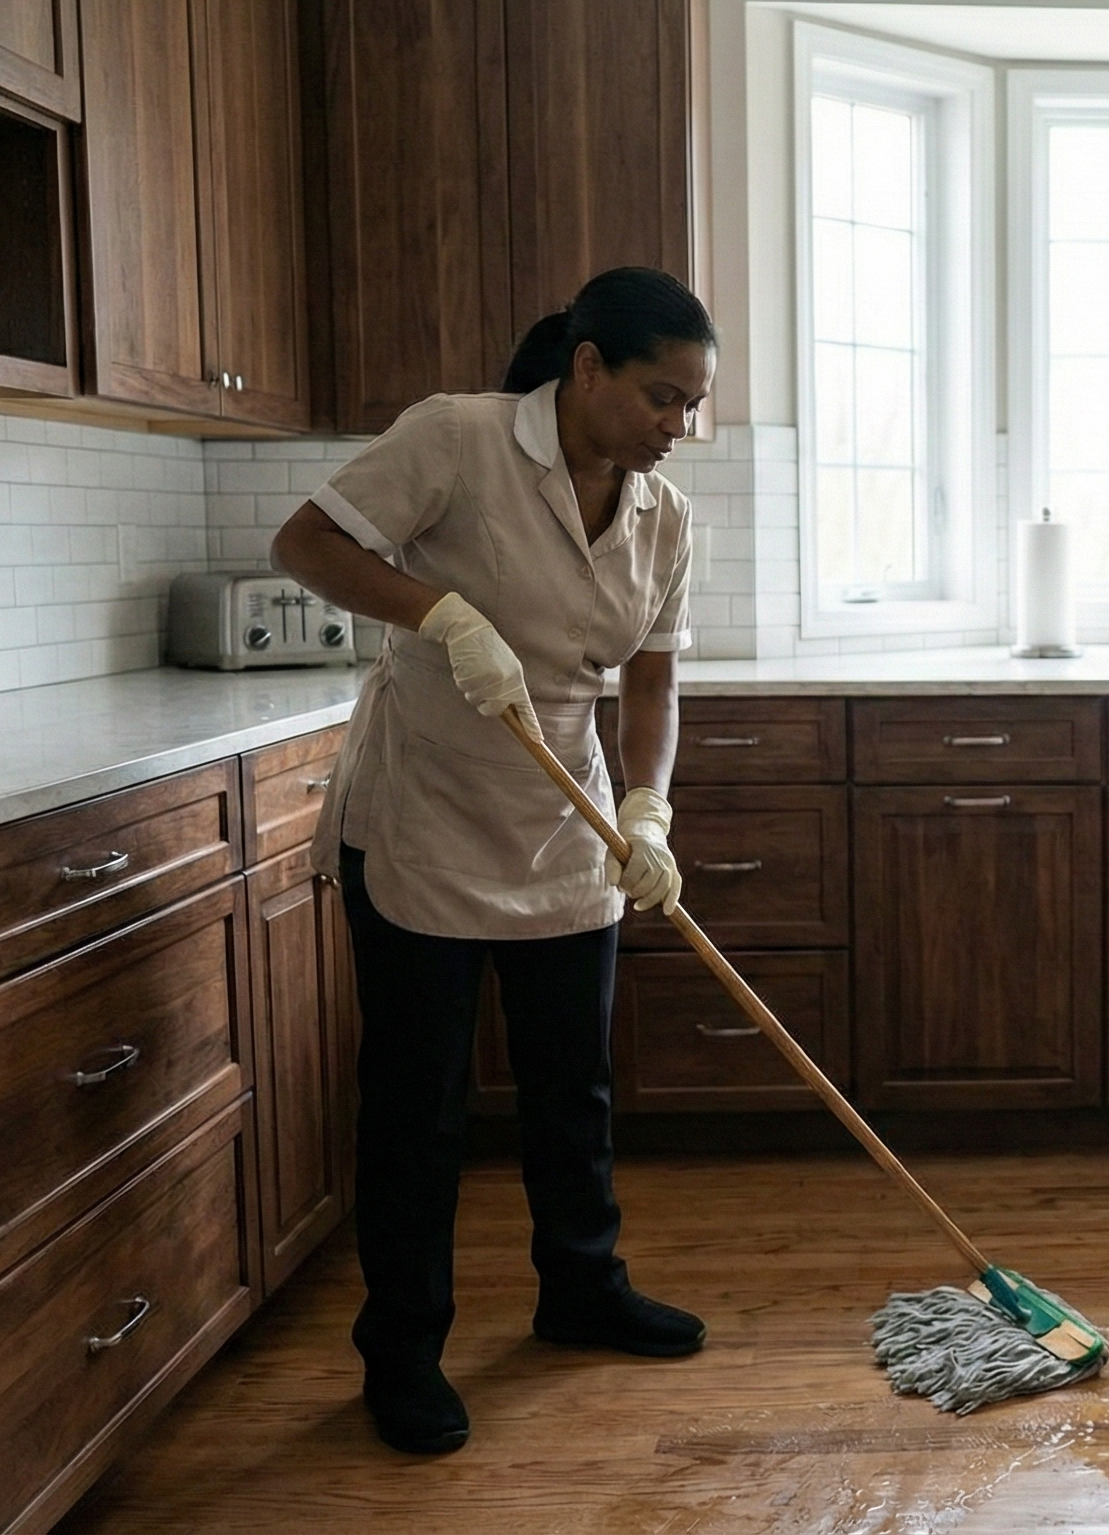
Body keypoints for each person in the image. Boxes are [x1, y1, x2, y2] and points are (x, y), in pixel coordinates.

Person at [269, 266, 713, 1456]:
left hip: (566, 824)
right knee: (419, 1107)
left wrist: (649, 810)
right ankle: (402, 1349)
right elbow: (304, 544)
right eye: (661, 398)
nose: (679, 428)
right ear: (586, 369)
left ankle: (581, 1289)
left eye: (692, 406)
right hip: (425, 816)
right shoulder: (457, 438)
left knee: (573, 1088)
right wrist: (444, 617)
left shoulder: (664, 516)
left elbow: (655, 678)